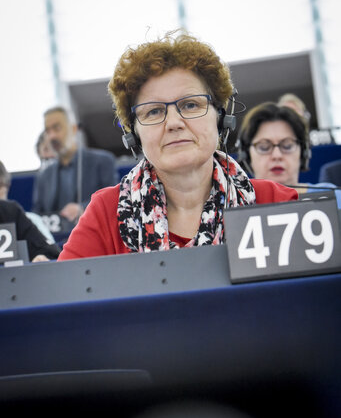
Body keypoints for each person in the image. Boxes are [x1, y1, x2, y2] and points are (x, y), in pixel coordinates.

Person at [58, 32, 297, 261]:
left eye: (191, 105)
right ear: (133, 134)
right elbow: (65, 296)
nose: (174, 123)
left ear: (221, 117)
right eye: (153, 111)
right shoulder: (105, 213)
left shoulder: (275, 201)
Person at [237, 101, 341, 207]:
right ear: (247, 156)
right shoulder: (234, 204)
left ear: (304, 153)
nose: (277, 155)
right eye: (264, 147)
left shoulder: (333, 197)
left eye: (287, 146)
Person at [33, 106, 118, 222]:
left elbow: (113, 199)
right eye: (48, 131)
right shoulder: (44, 176)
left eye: (57, 128)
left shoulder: (102, 161)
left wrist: (83, 208)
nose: (52, 136)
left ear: (73, 129)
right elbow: (37, 214)